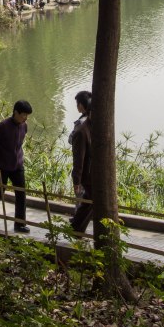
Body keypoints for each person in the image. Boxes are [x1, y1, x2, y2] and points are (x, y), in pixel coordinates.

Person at [0, 100, 33, 233]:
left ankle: (19, 224)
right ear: (15, 112)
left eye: (27, 116)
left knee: (21, 193)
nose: (25, 118)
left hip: (17, 164)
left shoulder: (24, 126)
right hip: (1, 165)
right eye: (23, 115)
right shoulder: (3, 126)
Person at [69, 90, 93, 233]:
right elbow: (79, 158)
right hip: (88, 175)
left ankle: (76, 229)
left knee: (87, 201)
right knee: (87, 201)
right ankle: (76, 229)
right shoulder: (82, 130)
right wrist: (76, 180)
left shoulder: (92, 127)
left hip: (92, 174)